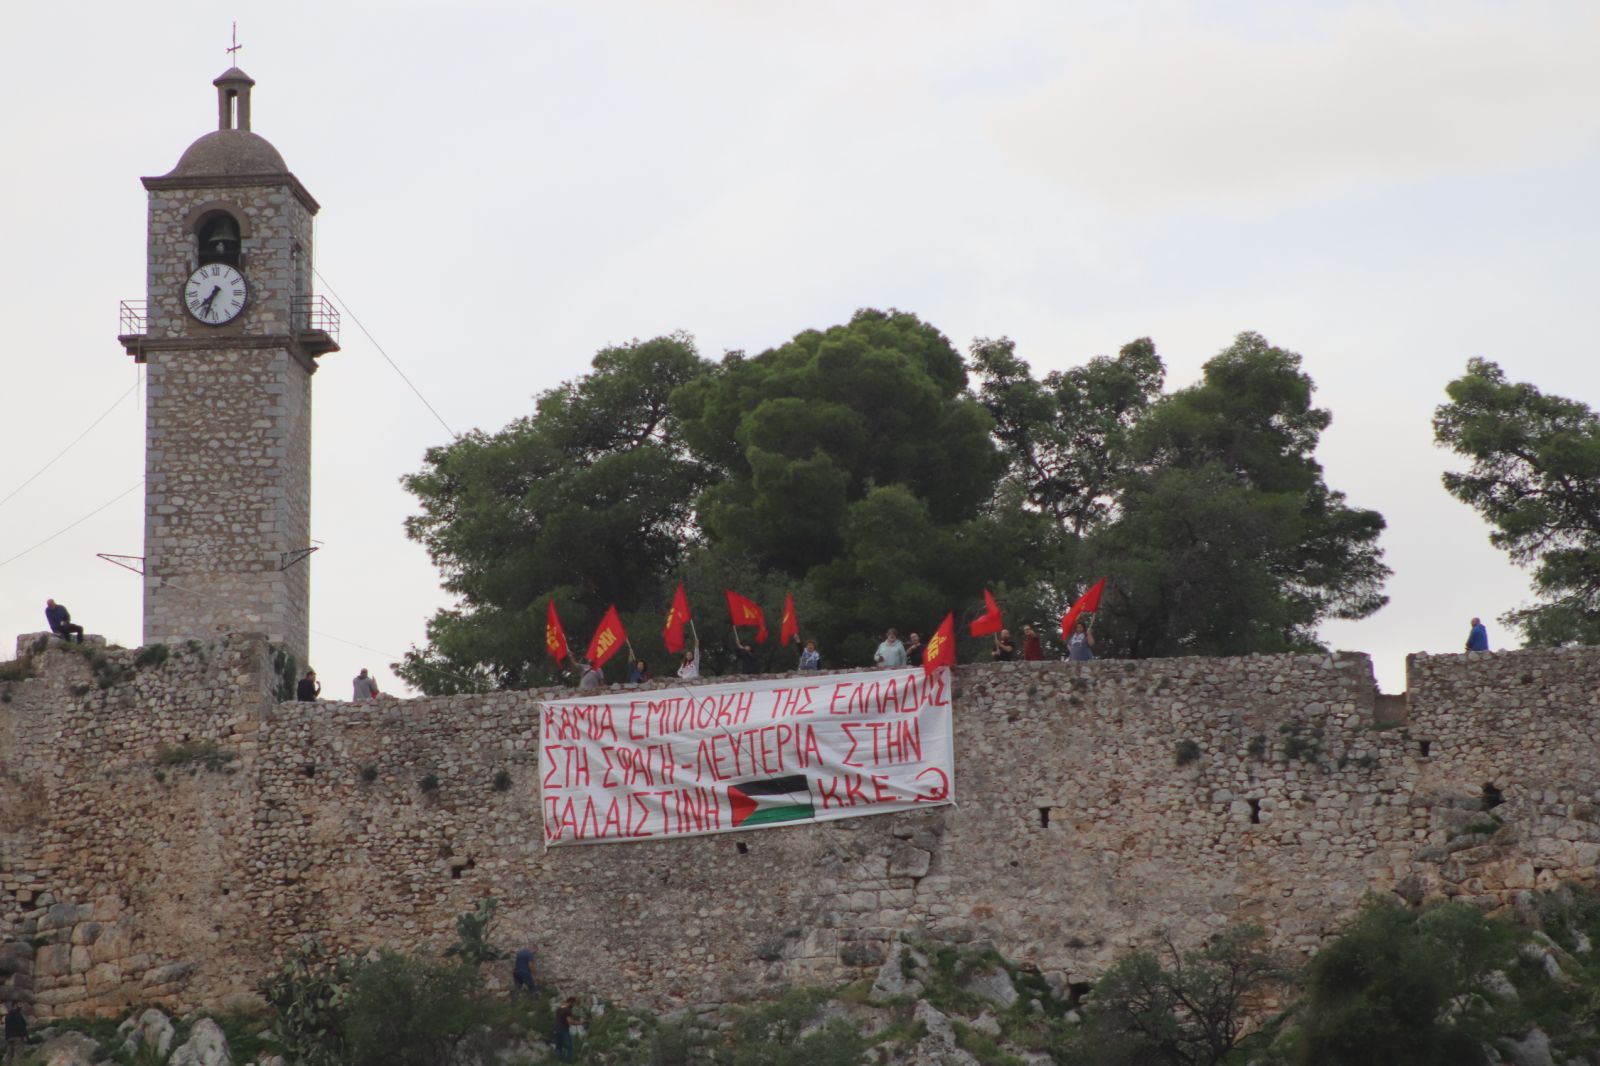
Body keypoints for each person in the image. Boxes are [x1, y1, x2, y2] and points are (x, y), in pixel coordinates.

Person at [552, 996, 580, 1062]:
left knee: (558, 1047)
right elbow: (570, 1022)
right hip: (563, 1030)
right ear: (570, 1002)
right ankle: (567, 1061)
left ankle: (558, 1061)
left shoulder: (559, 1009)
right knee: (569, 1046)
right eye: (573, 1004)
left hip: (556, 1029)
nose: (573, 1005)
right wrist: (580, 1023)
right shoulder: (567, 1010)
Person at [4, 1001, 25, 1066]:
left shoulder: (7, 1015)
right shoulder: (18, 1014)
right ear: (15, 1005)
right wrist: (23, 1036)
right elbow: (21, 1025)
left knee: (9, 1055)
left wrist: (7, 1037)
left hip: (9, 1037)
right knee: (18, 1054)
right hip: (17, 1036)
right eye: (19, 1004)